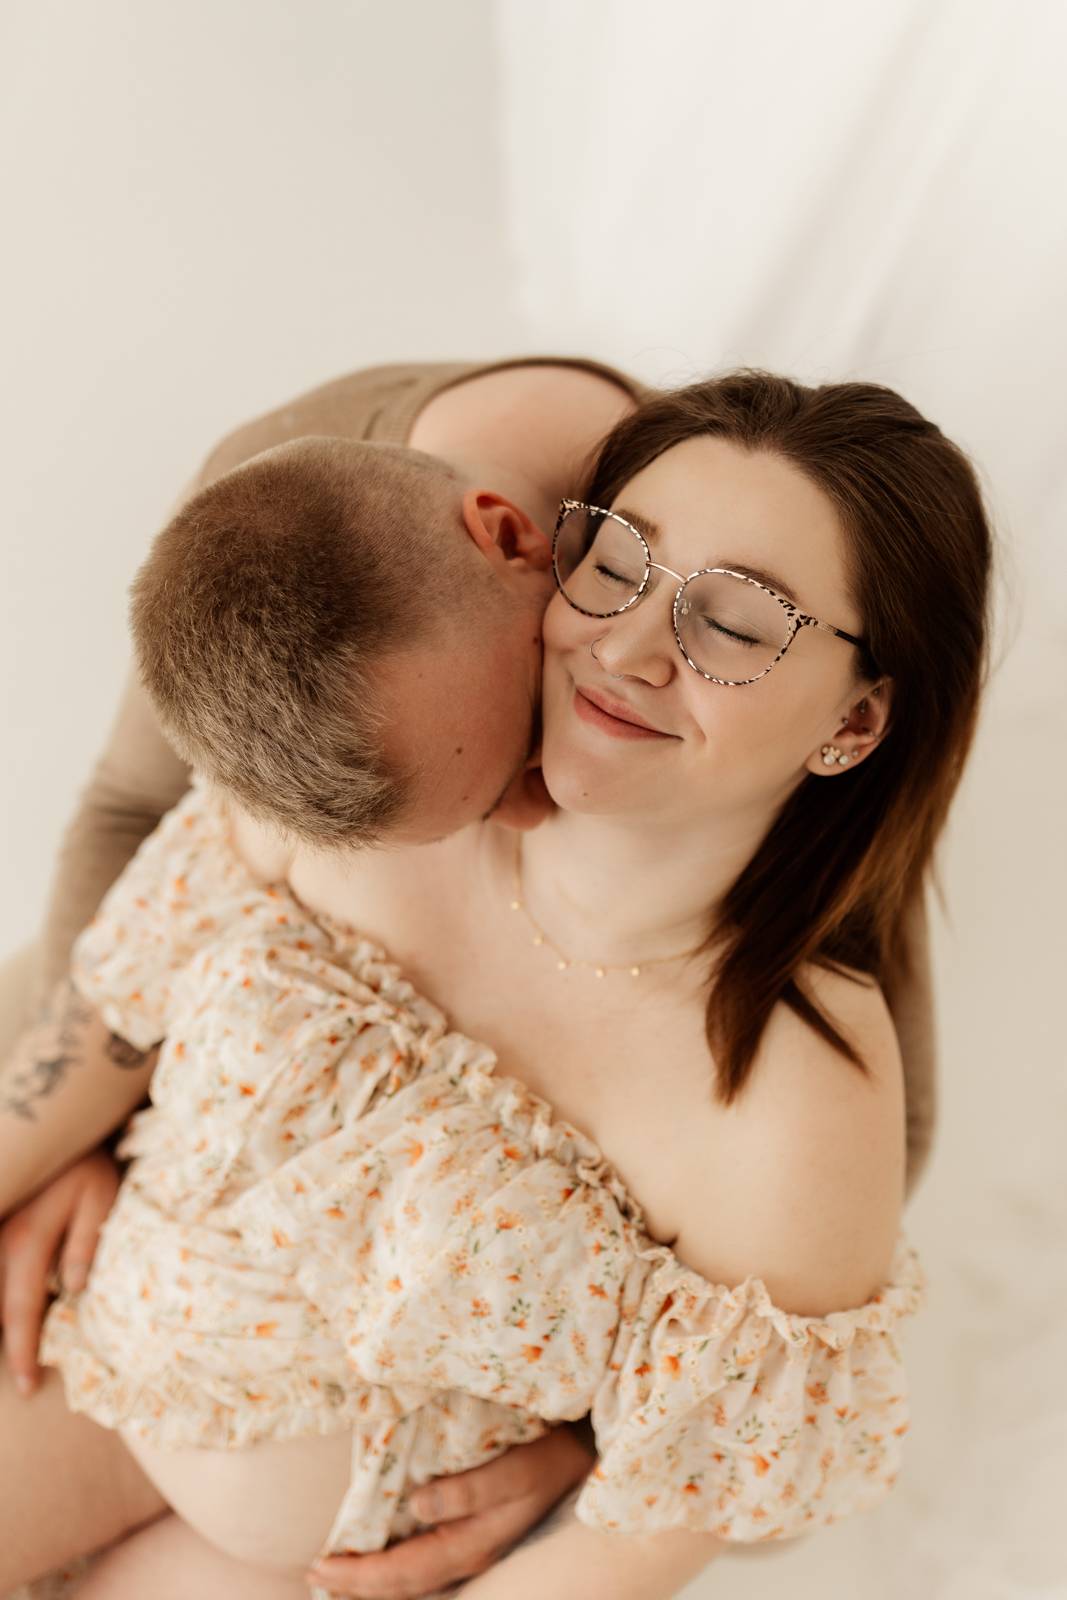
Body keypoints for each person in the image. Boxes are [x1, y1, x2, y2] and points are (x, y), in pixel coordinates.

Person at [0, 358, 951, 1600]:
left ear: (854, 722)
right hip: (83, 1356)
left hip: (342, 1567)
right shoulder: (400, 768)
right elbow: (107, 1011)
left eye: (733, 621)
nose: (625, 643)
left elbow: (690, 1498)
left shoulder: (791, 1091)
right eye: (614, 565)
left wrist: (595, 1450)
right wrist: (69, 1145)